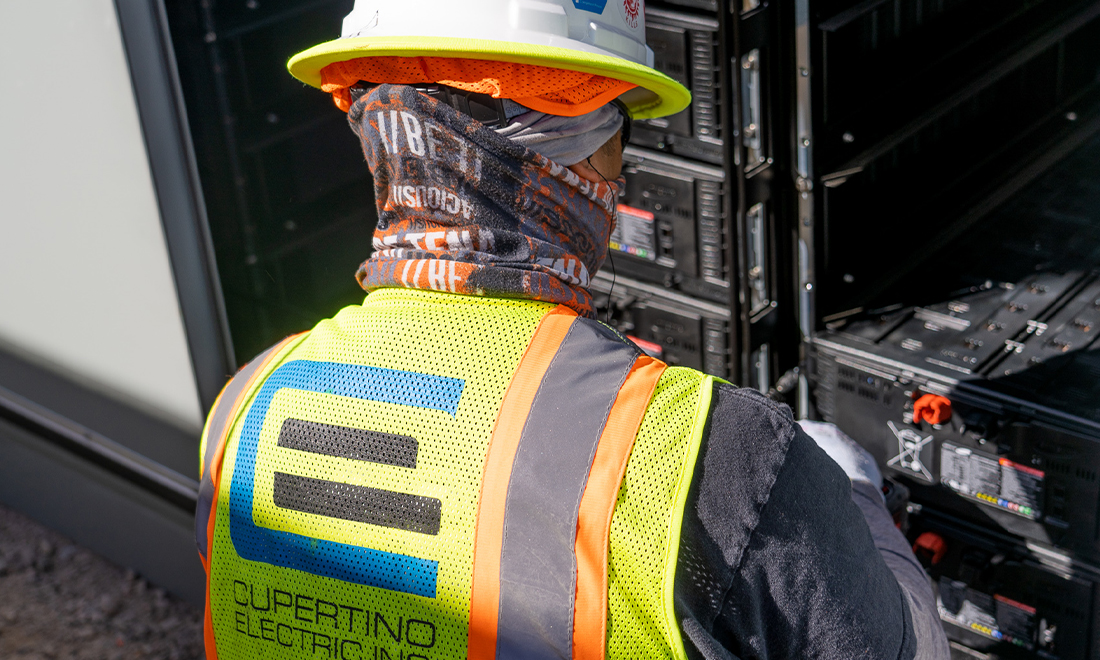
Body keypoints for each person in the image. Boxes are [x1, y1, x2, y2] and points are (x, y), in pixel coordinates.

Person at [195, 1, 950, 658]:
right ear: (580, 146)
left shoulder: (242, 404)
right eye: (619, 135)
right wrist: (849, 491)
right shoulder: (713, 454)